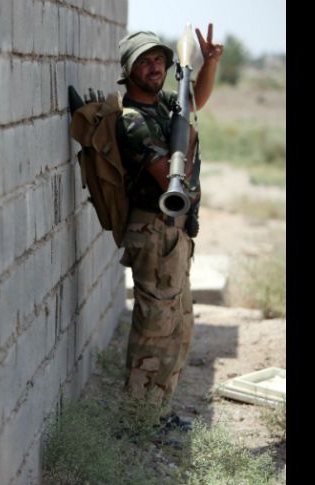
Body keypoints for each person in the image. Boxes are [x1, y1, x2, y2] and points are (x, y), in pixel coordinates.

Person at [115, 25, 224, 426]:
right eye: (144, 61)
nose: (154, 66)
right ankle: (138, 420)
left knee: (179, 325)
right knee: (155, 330)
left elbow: (195, 100)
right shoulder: (131, 119)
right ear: (129, 70)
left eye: (159, 58)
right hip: (152, 230)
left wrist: (208, 64)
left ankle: (157, 412)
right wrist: (188, 138)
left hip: (173, 231)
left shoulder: (161, 105)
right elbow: (167, 176)